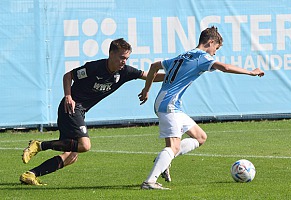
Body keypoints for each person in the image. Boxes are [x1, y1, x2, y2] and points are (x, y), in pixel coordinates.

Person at [20, 38, 164, 185]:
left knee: (71, 157)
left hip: (80, 111)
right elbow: (68, 76)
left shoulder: (125, 72)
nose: (124, 61)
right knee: (85, 145)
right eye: (122, 57)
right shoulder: (94, 68)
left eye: (126, 58)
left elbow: (150, 75)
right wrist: (68, 96)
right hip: (71, 107)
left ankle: (30, 174)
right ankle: (39, 145)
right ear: (111, 54)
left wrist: (174, 76)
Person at [138, 26, 264, 190]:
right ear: (211, 42)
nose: (214, 53)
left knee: (200, 137)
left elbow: (154, 66)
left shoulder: (182, 56)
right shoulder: (201, 57)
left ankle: (165, 159)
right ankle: (149, 182)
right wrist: (250, 72)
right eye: (216, 48)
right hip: (168, 104)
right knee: (173, 146)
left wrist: (146, 90)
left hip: (170, 104)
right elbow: (224, 68)